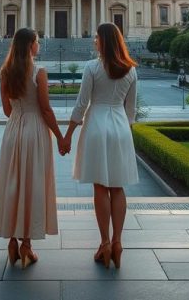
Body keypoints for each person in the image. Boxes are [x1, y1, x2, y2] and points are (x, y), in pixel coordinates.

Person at [62, 22, 138, 270]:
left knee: (100, 187)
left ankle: (104, 242)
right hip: (120, 126)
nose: (94, 41)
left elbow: (82, 104)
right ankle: (118, 242)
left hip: (96, 125)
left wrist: (69, 133)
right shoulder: (131, 70)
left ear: (104, 41)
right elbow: (131, 111)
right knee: (117, 186)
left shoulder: (93, 67)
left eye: (96, 38)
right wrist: (125, 132)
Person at [0, 27, 68, 269]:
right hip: (35, 131)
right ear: (30, 45)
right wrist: (60, 137)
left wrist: (20, 116)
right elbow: (45, 109)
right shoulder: (39, 72)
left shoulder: (5, 72)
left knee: (12, 184)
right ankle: (26, 245)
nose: (40, 45)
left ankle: (12, 242)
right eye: (37, 41)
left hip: (13, 130)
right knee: (32, 185)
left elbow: (6, 110)